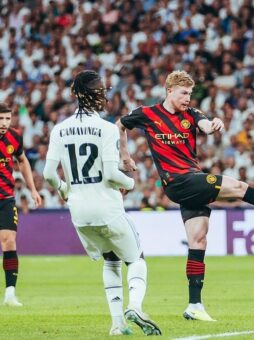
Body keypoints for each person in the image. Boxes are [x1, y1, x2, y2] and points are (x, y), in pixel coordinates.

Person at [116, 70, 254, 321]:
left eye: (190, 93)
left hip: (190, 183)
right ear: (169, 91)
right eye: (183, 93)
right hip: (178, 180)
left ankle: (194, 305)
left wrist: (213, 124)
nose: (188, 98)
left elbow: (205, 125)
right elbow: (120, 124)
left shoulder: (192, 114)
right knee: (239, 188)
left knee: (198, 241)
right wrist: (124, 155)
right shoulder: (147, 114)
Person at [43, 71, 161, 336]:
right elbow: (110, 174)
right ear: (93, 95)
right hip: (106, 206)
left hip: (79, 212)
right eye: (100, 91)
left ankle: (117, 324)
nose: (104, 95)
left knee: (110, 260)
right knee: (136, 258)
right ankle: (136, 306)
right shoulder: (107, 129)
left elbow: (49, 175)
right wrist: (130, 183)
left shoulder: (59, 129)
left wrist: (64, 190)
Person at [0, 102, 42, 307]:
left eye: (7, 118)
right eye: (0, 119)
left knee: (9, 241)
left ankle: (10, 293)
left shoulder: (14, 137)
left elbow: (22, 160)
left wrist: (32, 189)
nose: (4, 123)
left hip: (6, 198)